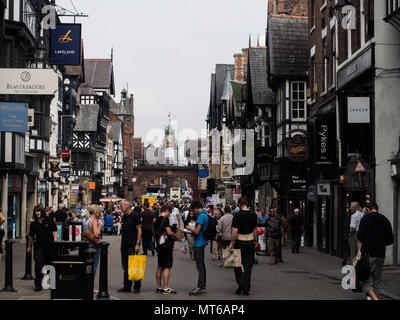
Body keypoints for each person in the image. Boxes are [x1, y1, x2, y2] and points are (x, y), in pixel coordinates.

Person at [357, 201, 394, 300]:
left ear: (368, 209)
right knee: (376, 280)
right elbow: (390, 240)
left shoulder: (365, 219)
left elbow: (360, 237)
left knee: (364, 280)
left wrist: (358, 254)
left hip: (368, 255)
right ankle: (372, 298)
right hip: (381, 254)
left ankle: (376, 299)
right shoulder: (385, 220)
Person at [230, 197, 258, 296]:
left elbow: (234, 231)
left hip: (239, 242)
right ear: (247, 204)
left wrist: (232, 242)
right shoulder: (254, 215)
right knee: (248, 266)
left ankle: (241, 284)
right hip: (250, 241)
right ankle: (246, 287)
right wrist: (255, 241)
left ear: (239, 205)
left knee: (237, 265)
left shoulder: (237, 215)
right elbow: (255, 230)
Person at [27, 205, 58, 291]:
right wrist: (29, 246)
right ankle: (38, 284)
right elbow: (31, 236)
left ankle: (52, 283)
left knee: (50, 265)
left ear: (42, 212)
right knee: (38, 264)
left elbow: (55, 230)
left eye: (39, 211)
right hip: (39, 246)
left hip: (49, 245)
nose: (38, 213)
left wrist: (55, 241)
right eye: (36, 211)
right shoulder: (33, 224)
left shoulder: (49, 220)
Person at [118, 200, 142, 293]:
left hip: (132, 245)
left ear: (127, 206)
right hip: (124, 244)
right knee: (125, 267)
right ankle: (127, 286)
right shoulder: (124, 216)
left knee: (134, 266)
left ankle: (137, 286)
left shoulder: (135, 215)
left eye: (121, 206)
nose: (120, 208)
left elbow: (139, 230)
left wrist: (138, 243)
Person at [185, 200, 208, 296]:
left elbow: (197, 231)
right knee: (201, 265)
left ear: (195, 208)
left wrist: (189, 229)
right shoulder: (205, 215)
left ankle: (201, 286)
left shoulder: (201, 216)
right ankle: (202, 286)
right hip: (202, 242)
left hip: (199, 243)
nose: (193, 212)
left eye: (193, 210)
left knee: (200, 266)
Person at [154, 205, 178, 294]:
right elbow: (168, 232)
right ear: (166, 210)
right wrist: (174, 235)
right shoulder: (165, 219)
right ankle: (166, 287)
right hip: (166, 246)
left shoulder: (157, 219)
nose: (170, 214)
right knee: (167, 266)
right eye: (170, 212)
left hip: (159, 245)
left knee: (160, 266)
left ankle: (159, 287)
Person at [82, 205, 102, 283]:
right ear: (96, 212)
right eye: (99, 211)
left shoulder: (85, 219)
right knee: (93, 268)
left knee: (86, 268)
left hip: (86, 246)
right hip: (93, 246)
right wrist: (99, 225)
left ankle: (86, 286)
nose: (100, 213)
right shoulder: (93, 220)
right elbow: (97, 234)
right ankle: (90, 287)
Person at [348, 201, 365, 292]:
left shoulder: (353, 216)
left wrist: (350, 235)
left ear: (354, 208)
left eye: (351, 207)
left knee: (353, 257)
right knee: (359, 256)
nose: (350, 208)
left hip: (355, 236)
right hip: (362, 236)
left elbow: (353, 228)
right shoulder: (362, 214)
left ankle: (353, 281)